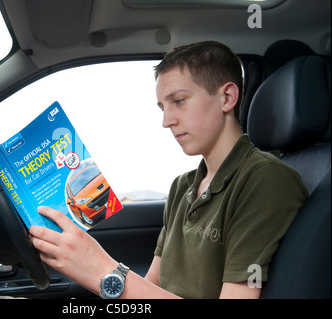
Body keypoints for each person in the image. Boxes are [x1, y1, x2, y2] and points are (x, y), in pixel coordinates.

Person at [28, 41, 308, 299]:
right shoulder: (182, 186)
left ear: (227, 98)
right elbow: (152, 286)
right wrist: (82, 264)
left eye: (179, 101)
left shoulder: (265, 180)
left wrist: (103, 269)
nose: (166, 121)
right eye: (162, 107)